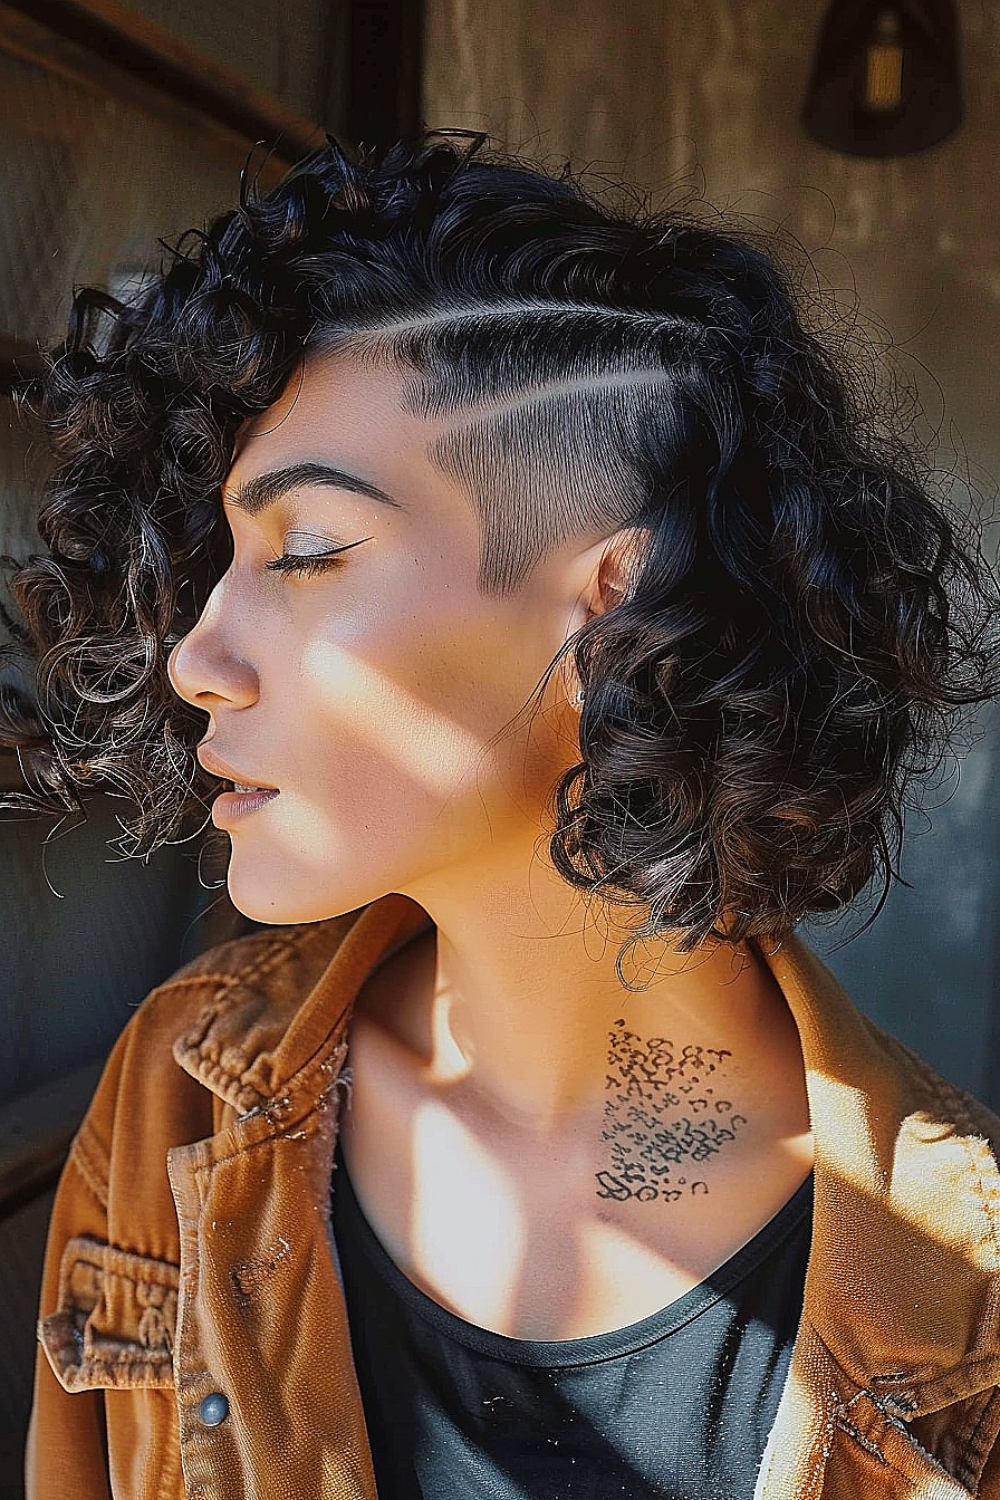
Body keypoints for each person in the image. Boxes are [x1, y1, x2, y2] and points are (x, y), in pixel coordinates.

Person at [5, 129, 1000, 1500]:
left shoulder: (972, 1304)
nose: (195, 656)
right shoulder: (172, 1094)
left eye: (304, 553)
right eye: (220, 557)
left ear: (612, 602)